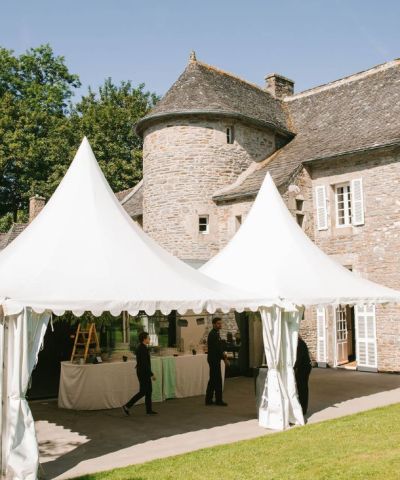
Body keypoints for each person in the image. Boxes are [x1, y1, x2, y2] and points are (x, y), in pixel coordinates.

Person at [122, 331, 157, 415]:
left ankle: (149, 410)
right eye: (148, 338)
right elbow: (144, 364)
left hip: (142, 372)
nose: (149, 339)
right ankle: (127, 406)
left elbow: (141, 362)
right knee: (143, 392)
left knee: (148, 391)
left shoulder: (142, 347)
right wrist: (151, 374)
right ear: (144, 339)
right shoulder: (142, 349)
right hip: (143, 373)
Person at [205, 317, 229, 406]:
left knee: (213, 379)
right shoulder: (213, 334)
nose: (220, 325)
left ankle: (209, 399)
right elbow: (218, 349)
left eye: (220, 323)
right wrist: (225, 358)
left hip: (213, 359)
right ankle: (218, 400)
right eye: (218, 323)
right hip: (214, 360)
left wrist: (223, 357)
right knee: (217, 380)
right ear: (214, 324)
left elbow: (219, 347)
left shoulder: (215, 333)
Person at [294, 335, 312, 415]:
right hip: (303, 367)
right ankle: (302, 406)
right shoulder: (300, 343)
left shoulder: (300, 344)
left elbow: (299, 358)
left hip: (304, 368)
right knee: (302, 387)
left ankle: (303, 408)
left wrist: (293, 366)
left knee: (302, 388)